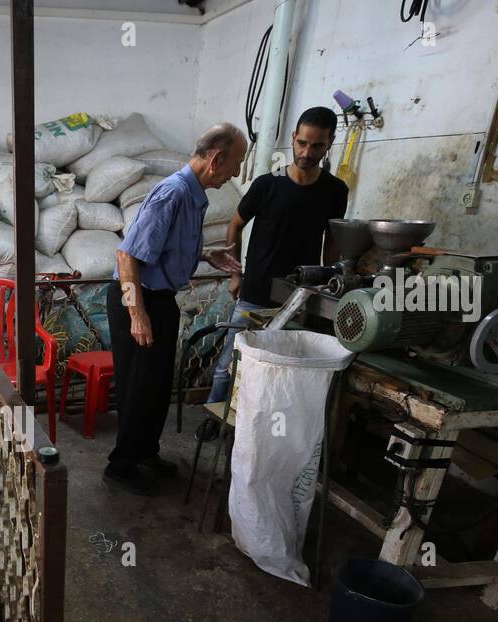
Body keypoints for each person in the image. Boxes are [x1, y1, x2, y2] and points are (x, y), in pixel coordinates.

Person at [106, 123, 246, 496]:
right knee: (139, 386)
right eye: (236, 165)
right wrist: (138, 314)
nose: (236, 173)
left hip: (159, 298)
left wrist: (204, 255)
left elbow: (163, 248)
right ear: (216, 159)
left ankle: (145, 453)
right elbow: (127, 256)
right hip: (136, 297)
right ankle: (120, 465)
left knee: (157, 384)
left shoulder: (193, 194)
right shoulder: (172, 192)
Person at [206, 106, 350, 407]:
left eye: (318, 146)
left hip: (298, 299)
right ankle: (215, 415)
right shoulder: (268, 184)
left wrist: (327, 286)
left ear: (330, 143)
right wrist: (236, 274)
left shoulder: (335, 191)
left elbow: (332, 241)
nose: (307, 152)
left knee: (281, 367)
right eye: (303, 143)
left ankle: (256, 421)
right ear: (294, 137)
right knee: (229, 363)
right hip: (255, 291)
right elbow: (235, 225)